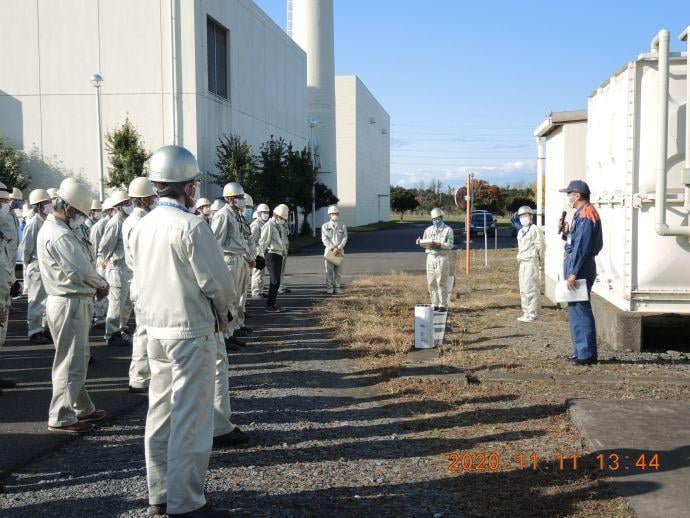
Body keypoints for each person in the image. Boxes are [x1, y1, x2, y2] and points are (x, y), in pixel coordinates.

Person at [130, 144, 233, 517]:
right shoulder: (192, 225)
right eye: (194, 184)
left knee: (160, 413)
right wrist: (226, 313)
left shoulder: (141, 226)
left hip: (155, 330)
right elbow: (217, 283)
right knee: (191, 417)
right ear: (188, 186)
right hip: (190, 331)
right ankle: (185, 502)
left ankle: (159, 494)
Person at [37, 179, 109, 434]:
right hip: (69, 301)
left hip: (71, 300)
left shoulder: (60, 230)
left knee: (77, 356)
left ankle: (81, 407)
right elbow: (79, 270)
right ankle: (61, 416)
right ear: (68, 208)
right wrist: (101, 283)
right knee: (70, 360)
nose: (81, 218)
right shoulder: (59, 234)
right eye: (79, 213)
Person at [559, 180, 603, 366]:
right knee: (576, 309)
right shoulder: (581, 214)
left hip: (580, 267)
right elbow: (576, 241)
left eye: (569, 193)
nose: (568, 197)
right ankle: (580, 351)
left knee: (580, 309)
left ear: (577, 195)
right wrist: (567, 232)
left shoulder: (586, 214)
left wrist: (573, 272)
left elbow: (582, 247)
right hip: (578, 265)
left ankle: (586, 354)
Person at [122, 177, 157, 394]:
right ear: (144, 198)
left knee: (144, 330)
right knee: (144, 330)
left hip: (139, 279)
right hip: (145, 280)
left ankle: (141, 374)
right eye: (152, 196)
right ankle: (140, 376)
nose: (154, 199)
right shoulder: (142, 221)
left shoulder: (131, 220)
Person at [211, 182, 254, 347]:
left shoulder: (236, 214)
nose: (242, 200)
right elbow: (216, 242)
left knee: (236, 298)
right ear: (230, 198)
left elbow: (242, 238)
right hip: (228, 260)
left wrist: (248, 257)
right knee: (228, 299)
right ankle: (224, 337)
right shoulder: (223, 215)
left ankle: (231, 331)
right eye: (239, 197)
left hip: (239, 258)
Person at [99, 190, 134, 347]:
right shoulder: (115, 223)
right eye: (126, 203)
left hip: (127, 269)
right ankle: (111, 333)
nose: (130, 205)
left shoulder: (127, 221)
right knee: (115, 303)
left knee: (126, 302)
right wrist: (105, 262)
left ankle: (122, 328)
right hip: (117, 268)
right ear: (119, 206)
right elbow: (104, 247)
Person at [19, 189, 52, 344]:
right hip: (36, 266)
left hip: (48, 267)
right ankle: (34, 331)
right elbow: (26, 247)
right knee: (36, 301)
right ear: (39, 205)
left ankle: (44, 329)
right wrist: (28, 265)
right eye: (46, 203)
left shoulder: (49, 221)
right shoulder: (34, 223)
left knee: (47, 301)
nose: (49, 205)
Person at [416, 207, 454, 312]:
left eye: (437, 218)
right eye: (434, 219)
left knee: (441, 281)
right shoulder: (428, 230)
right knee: (431, 282)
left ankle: (443, 304)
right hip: (430, 257)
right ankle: (435, 303)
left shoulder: (448, 230)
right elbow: (425, 243)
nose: (436, 220)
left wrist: (440, 244)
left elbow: (450, 244)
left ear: (441, 217)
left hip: (442, 257)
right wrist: (420, 242)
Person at [515, 206, 544, 322]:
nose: (523, 218)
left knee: (531, 287)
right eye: (521, 216)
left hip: (531, 262)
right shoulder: (520, 232)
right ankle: (526, 311)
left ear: (530, 216)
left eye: (525, 216)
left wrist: (541, 261)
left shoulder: (535, 229)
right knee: (523, 288)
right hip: (522, 262)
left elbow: (540, 246)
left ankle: (532, 312)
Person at [259, 204, 289, 313]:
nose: (282, 220)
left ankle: (273, 303)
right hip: (271, 254)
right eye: (281, 218)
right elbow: (263, 242)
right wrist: (262, 256)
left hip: (279, 254)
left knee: (276, 280)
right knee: (275, 280)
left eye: (283, 219)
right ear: (276, 216)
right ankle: (270, 305)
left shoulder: (279, 225)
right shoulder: (269, 226)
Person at [90, 198, 113, 326]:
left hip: (108, 262)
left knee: (108, 291)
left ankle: (104, 315)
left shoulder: (113, 223)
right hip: (101, 262)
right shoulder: (100, 226)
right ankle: (99, 317)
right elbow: (94, 246)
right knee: (102, 290)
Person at [321, 205, 348, 294]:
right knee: (329, 271)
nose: (335, 215)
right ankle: (329, 288)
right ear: (329, 215)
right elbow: (324, 239)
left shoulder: (342, 226)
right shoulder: (325, 226)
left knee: (338, 272)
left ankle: (337, 287)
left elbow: (345, 238)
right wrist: (333, 248)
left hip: (340, 251)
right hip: (329, 251)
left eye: (336, 213)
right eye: (333, 214)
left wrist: (339, 248)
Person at [250, 203, 270, 298]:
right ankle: (256, 292)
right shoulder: (255, 224)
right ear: (259, 213)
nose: (266, 214)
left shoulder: (265, 223)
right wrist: (256, 253)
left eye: (267, 212)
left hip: (263, 252)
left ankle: (260, 290)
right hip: (258, 252)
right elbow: (252, 240)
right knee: (257, 272)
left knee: (261, 272)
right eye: (264, 212)